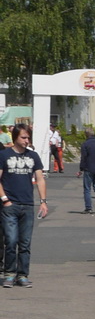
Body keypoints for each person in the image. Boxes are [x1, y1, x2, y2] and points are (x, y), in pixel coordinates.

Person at [0, 123, 49, 286]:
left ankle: (22, 275)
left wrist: (43, 202)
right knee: (11, 240)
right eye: (23, 137)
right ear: (15, 137)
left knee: (25, 242)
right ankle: (9, 273)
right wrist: (5, 199)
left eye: (28, 137)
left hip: (27, 204)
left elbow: (40, 179)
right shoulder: (4, 155)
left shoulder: (33, 156)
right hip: (10, 205)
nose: (27, 140)